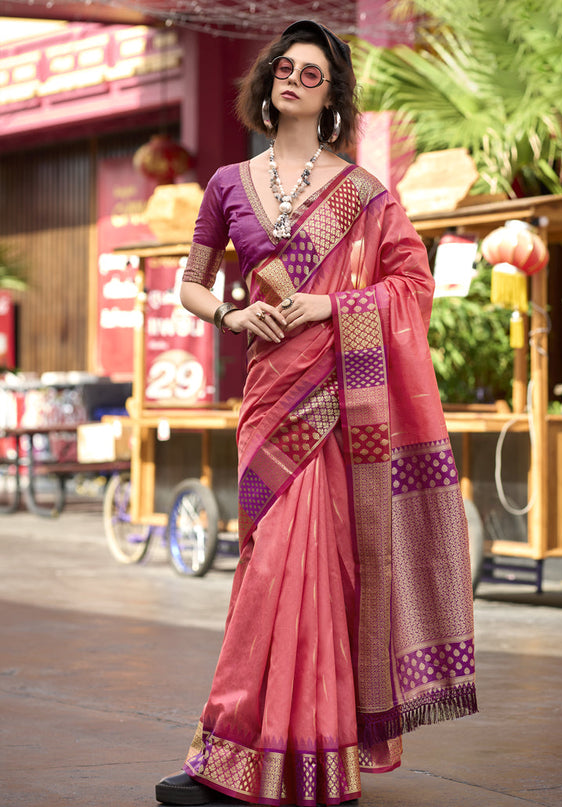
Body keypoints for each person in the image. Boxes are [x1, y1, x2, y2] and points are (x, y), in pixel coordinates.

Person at [155, 19, 477, 807]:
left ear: (332, 97)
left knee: (310, 573)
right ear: (266, 81)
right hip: (269, 399)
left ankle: (299, 755)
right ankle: (246, 750)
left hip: (336, 406)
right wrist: (234, 317)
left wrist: (324, 308)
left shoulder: (366, 195)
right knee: (267, 564)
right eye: (284, 68)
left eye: (311, 72)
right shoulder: (228, 183)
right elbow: (191, 285)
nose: (293, 78)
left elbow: (410, 287)